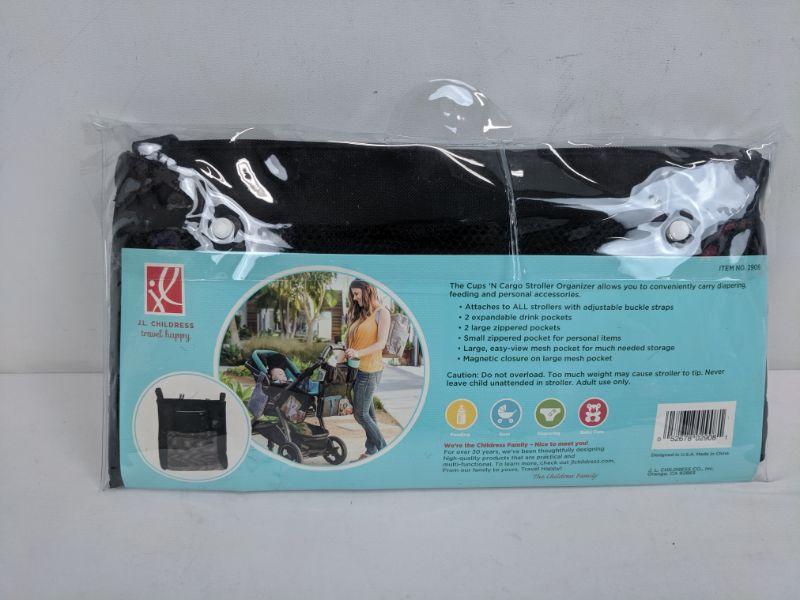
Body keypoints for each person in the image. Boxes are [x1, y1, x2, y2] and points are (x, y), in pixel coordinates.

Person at [344, 279, 390, 460]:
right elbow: (353, 342)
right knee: (369, 414)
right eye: (353, 295)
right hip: (356, 370)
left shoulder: (382, 313)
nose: (355, 298)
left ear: (367, 291)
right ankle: (371, 452)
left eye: (356, 294)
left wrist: (357, 353)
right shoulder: (361, 314)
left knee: (361, 414)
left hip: (369, 370)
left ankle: (384, 450)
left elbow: (380, 343)